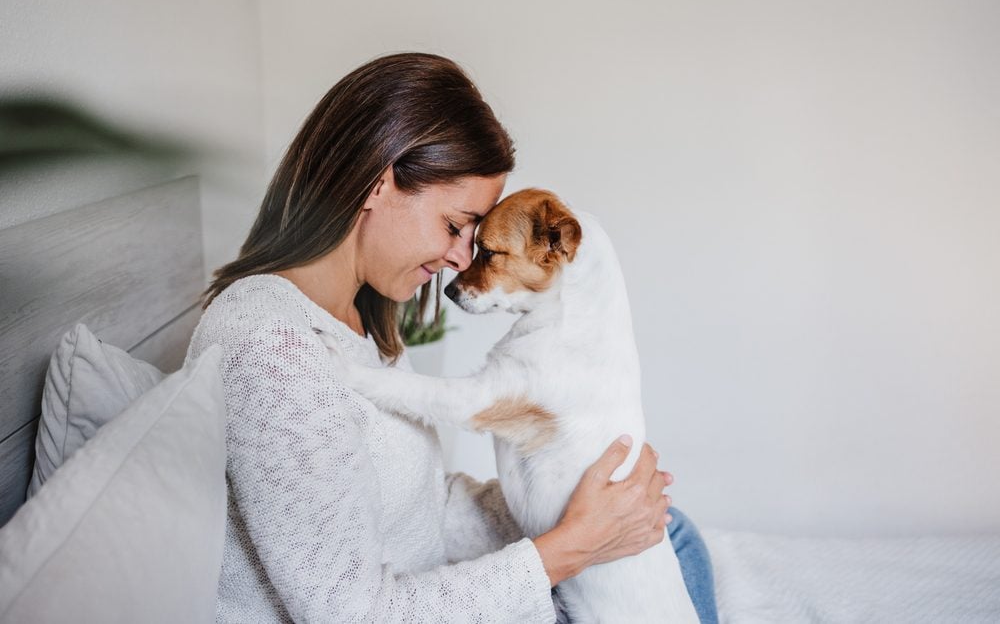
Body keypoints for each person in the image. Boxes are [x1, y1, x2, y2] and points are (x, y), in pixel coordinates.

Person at [187, 52, 718, 623]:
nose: (461, 258)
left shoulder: (355, 318)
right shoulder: (274, 349)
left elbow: (419, 510)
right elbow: (354, 615)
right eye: (453, 225)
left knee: (671, 531)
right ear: (376, 184)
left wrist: (585, 510)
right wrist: (569, 548)